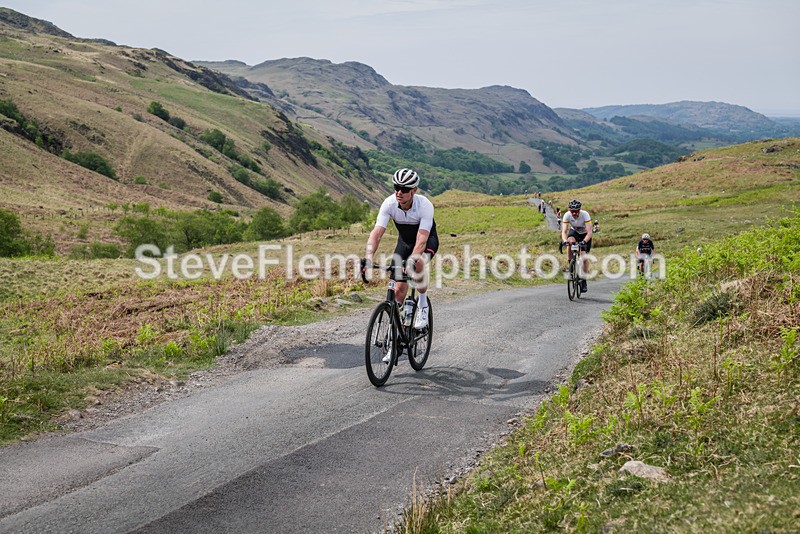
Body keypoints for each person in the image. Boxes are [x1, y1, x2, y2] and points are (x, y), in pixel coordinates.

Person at [363, 168, 438, 333]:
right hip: (404, 243)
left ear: (414, 191)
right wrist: (368, 257)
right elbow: (376, 234)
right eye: (396, 187)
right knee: (398, 289)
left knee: (418, 263)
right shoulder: (389, 204)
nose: (399, 192)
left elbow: (422, 240)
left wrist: (411, 260)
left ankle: (423, 304)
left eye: (404, 189)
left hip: (426, 241)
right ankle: (394, 338)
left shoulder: (424, 205)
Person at [561, 199, 593, 292]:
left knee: (584, 256)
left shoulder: (585, 214)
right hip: (574, 232)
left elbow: (590, 232)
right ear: (569, 210)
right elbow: (564, 231)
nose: (574, 213)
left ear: (579, 210)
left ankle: (584, 280)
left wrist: (584, 241)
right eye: (572, 211)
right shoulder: (567, 215)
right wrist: (564, 241)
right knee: (569, 242)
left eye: (576, 211)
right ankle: (571, 265)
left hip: (585, 234)